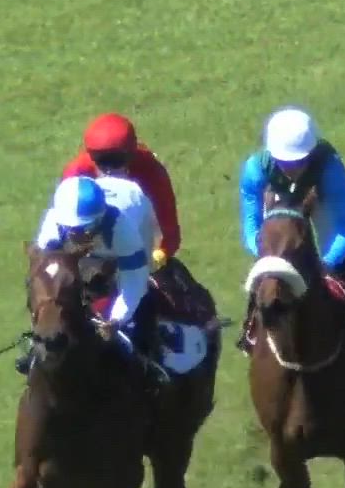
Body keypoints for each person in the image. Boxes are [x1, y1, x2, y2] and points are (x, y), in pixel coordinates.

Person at [236, 107, 345, 349]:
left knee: (342, 263)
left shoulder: (330, 168)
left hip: (318, 201)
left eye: (300, 161)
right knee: (268, 266)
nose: (292, 168)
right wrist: (266, 254)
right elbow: (251, 225)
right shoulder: (256, 170)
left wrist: (326, 264)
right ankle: (251, 331)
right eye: (285, 162)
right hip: (277, 208)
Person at [59, 112, 215, 324]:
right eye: (102, 162)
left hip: (140, 250)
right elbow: (65, 224)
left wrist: (159, 254)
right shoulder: (76, 172)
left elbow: (169, 228)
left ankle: (199, 326)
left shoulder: (152, 171)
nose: (110, 170)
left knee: (177, 302)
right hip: (89, 254)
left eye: (118, 161)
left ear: (132, 154)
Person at [25, 175, 168, 388]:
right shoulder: (52, 227)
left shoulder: (123, 230)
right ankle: (33, 352)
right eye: (73, 229)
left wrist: (116, 319)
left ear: (99, 220)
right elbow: (46, 277)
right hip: (92, 252)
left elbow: (134, 280)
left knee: (143, 290)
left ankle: (150, 359)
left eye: (86, 228)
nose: (80, 236)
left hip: (136, 221)